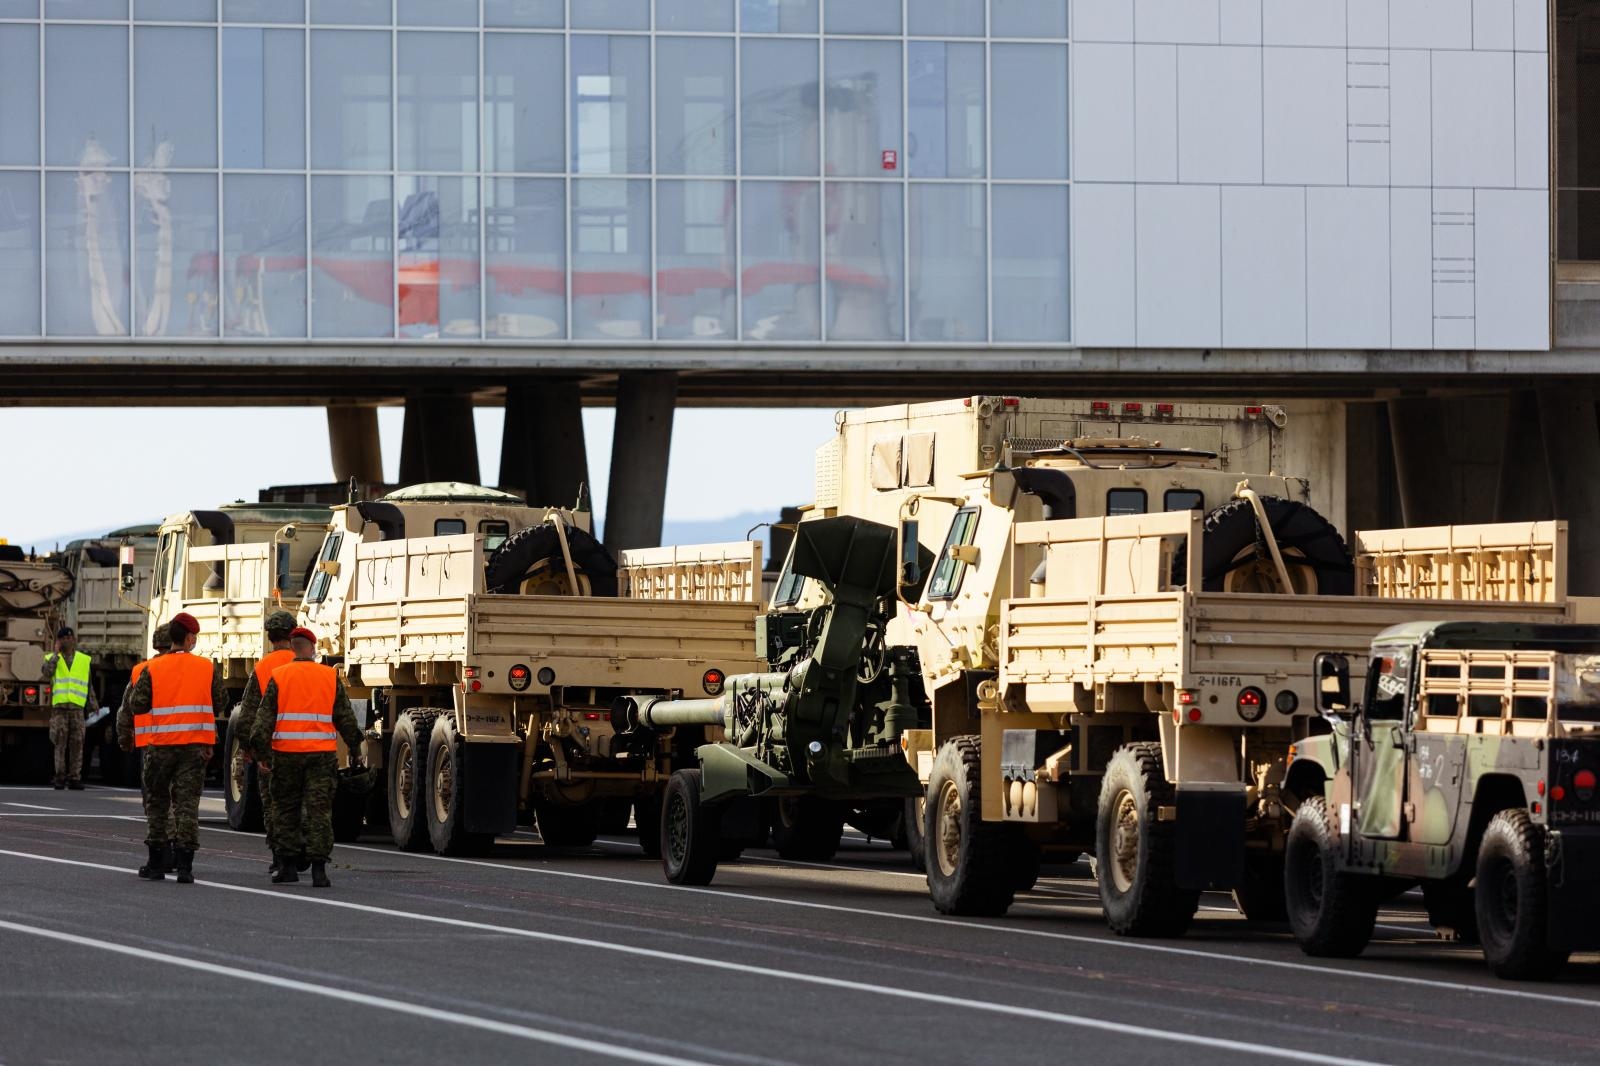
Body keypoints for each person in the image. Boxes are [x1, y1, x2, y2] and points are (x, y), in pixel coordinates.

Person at [116, 612, 227, 884]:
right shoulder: (205, 667)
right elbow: (220, 701)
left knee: (157, 802)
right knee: (187, 804)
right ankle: (186, 866)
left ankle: (156, 863)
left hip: (161, 746)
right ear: (189, 639)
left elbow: (136, 704)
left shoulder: (153, 669)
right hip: (194, 747)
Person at [252, 627, 364, 888]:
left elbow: (262, 722)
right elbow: (345, 718)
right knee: (319, 812)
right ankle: (319, 871)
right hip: (321, 756)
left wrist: (262, 754)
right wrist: (356, 749)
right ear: (312, 648)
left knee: (285, 810)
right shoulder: (328, 676)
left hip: (286, 755)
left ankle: (287, 868)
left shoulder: (279, 676)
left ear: (293, 649)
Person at [233, 609, 297, 879]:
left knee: (272, 804)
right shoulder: (306, 664)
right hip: (305, 746)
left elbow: (247, 714)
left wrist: (248, 747)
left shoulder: (262, 668)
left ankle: (279, 857)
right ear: (293, 634)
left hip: (271, 747)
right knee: (298, 801)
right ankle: (300, 850)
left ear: (269, 636)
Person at [43, 626, 97, 790]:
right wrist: (55, 655)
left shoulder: (83, 660)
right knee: (60, 743)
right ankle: (59, 777)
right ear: (58, 641)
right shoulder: (52, 658)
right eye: (63, 638)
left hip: (76, 710)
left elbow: (88, 684)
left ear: (73, 639)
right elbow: (46, 673)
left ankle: (74, 778)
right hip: (59, 709)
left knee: (77, 743)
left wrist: (93, 703)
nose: (67, 640)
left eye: (70, 637)